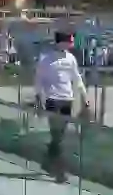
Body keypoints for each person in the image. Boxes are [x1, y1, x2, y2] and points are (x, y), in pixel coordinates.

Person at [34, 30, 90, 183]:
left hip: (67, 100)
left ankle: (47, 162)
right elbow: (39, 80)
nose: (72, 43)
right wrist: (38, 100)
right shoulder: (46, 60)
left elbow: (77, 79)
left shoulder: (71, 59)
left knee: (59, 136)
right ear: (62, 42)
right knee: (58, 136)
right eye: (70, 41)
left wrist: (84, 97)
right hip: (53, 100)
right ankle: (60, 171)